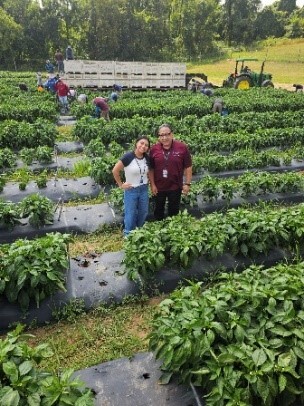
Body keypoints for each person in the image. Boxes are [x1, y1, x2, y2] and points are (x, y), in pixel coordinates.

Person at [149, 124, 192, 221]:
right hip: (159, 187)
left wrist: (187, 183)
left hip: (175, 186)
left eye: (167, 134)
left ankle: (171, 230)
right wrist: (152, 185)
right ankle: (159, 229)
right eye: (161, 135)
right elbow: (151, 169)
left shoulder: (182, 147)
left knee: (174, 212)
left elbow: (188, 167)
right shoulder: (154, 149)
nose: (164, 137)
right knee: (158, 210)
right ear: (159, 137)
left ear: (172, 134)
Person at [112, 136, 151, 237]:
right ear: (136, 143)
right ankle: (128, 235)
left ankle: (139, 232)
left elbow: (150, 172)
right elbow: (115, 170)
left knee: (144, 211)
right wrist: (121, 185)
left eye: (146, 145)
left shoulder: (147, 158)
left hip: (144, 189)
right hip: (131, 190)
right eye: (141, 143)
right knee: (130, 213)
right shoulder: (128, 157)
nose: (143, 146)